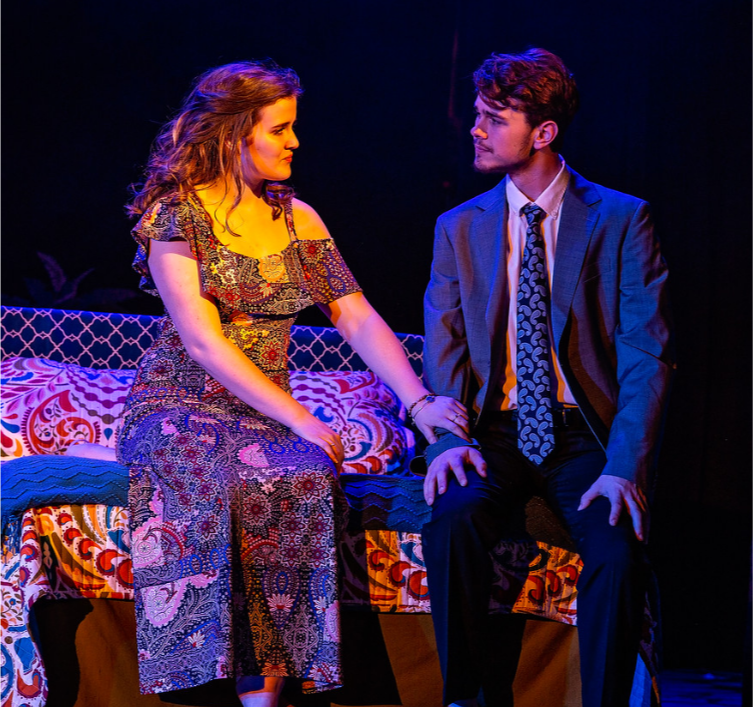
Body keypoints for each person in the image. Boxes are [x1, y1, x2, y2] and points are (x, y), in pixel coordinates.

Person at [117, 60, 468, 707]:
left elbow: (356, 317)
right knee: (216, 480)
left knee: (303, 477)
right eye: (279, 129)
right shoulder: (177, 214)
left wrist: (418, 401)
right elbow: (203, 341)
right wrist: (302, 417)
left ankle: (266, 700)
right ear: (235, 133)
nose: (294, 142)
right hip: (177, 403)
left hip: (261, 415)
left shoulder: (297, 220)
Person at [420, 48, 674, 707]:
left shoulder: (620, 218)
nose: (475, 128)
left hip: (583, 432)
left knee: (616, 551)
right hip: (494, 429)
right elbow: (444, 348)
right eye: (477, 114)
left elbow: (645, 355)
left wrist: (624, 468)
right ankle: (464, 698)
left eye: (493, 118)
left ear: (543, 132)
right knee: (452, 519)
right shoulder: (458, 227)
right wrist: (447, 442)